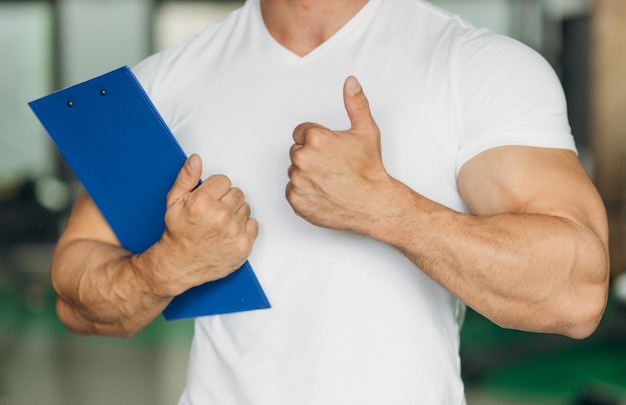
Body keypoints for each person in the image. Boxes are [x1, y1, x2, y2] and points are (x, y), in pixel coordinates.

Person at [50, 0, 610, 403]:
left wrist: (384, 208)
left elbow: (576, 291)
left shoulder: (477, 65)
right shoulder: (162, 86)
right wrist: (165, 267)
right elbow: (75, 298)